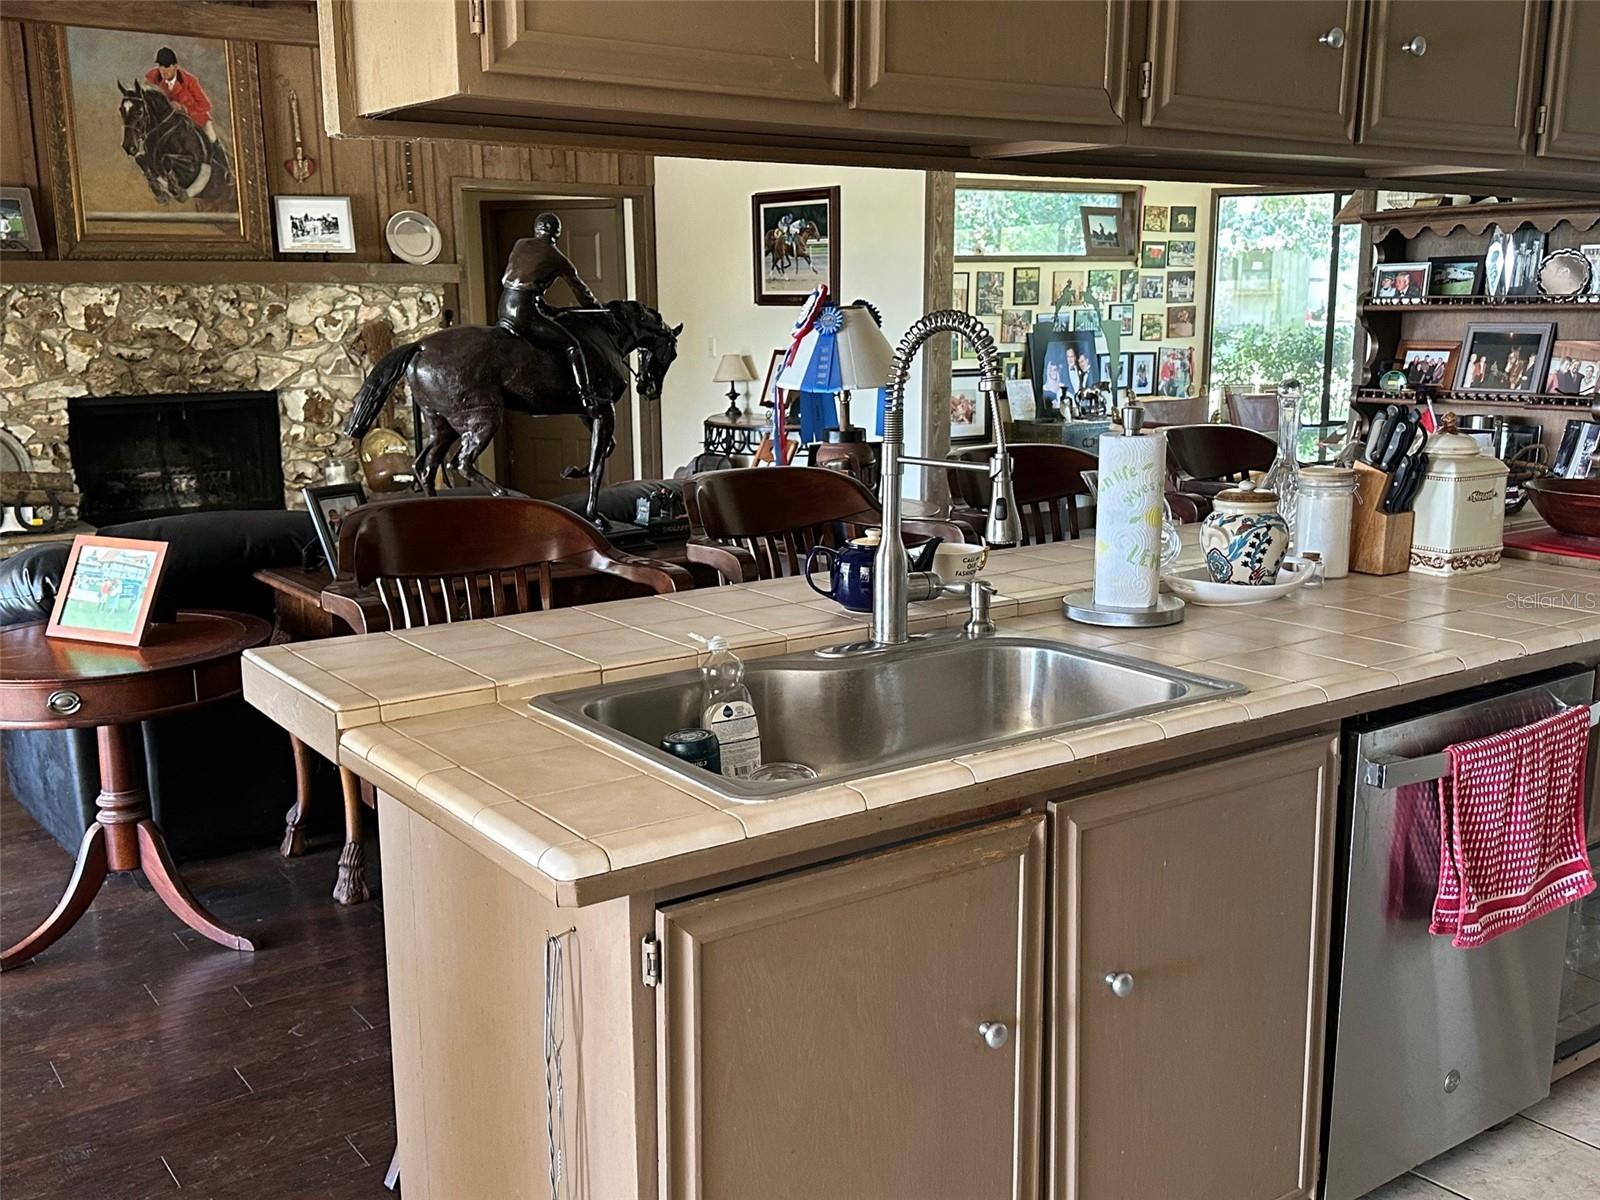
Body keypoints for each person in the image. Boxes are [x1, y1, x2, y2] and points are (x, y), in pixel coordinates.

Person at [498, 211, 604, 410]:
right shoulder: (558, 259)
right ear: (557, 232)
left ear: (537, 229)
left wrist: (546, 308)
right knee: (572, 345)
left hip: (504, 307)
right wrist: (598, 311)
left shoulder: (521, 244)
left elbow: (522, 282)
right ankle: (586, 396)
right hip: (524, 314)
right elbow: (582, 293)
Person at [145, 46, 218, 149]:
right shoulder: (154, 76)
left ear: (175, 67)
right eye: (161, 66)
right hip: (172, 122)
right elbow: (146, 88)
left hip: (196, 120)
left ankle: (218, 157)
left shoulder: (190, 81)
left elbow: (205, 105)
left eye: (167, 66)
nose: (163, 70)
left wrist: (184, 108)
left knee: (212, 138)